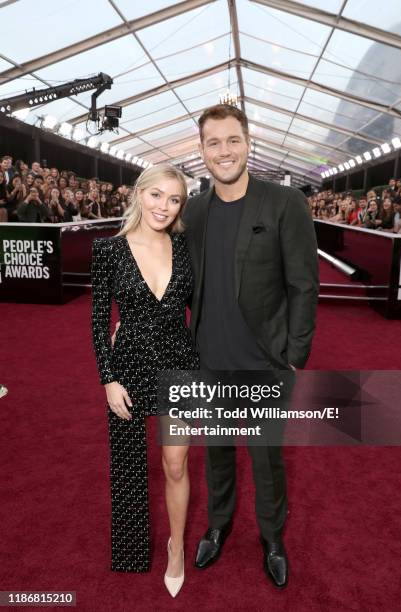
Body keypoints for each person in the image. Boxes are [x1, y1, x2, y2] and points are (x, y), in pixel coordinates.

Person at [182, 104, 319, 589]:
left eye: (232, 140)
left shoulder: (284, 203)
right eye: (213, 142)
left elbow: (304, 284)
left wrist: (295, 356)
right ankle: (217, 527)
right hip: (209, 361)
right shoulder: (194, 209)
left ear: (248, 142)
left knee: (267, 459)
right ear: (201, 150)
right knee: (216, 453)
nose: (224, 151)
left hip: (265, 363)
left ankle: (272, 539)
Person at [91, 164, 199, 597]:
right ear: (139, 194)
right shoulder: (108, 251)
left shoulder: (186, 247)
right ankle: (133, 550)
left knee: (176, 464)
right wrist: (108, 379)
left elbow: (204, 306)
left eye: (174, 200)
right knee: (129, 467)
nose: (164, 207)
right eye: (157, 195)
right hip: (128, 365)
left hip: (179, 365)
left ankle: (175, 549)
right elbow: (99, 322)